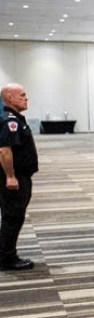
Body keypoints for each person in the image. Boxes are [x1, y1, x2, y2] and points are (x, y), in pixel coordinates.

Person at [0, 84, 38, 271]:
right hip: (15, 178)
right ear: (9, 97)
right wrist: (10, 176)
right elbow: (4, 150)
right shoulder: (10, 121)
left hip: (20, 176)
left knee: (13, 216)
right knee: (13, 217)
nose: (26, 98)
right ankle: (7, 258)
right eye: (22, 95)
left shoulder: (14, 118)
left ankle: (6, 253)